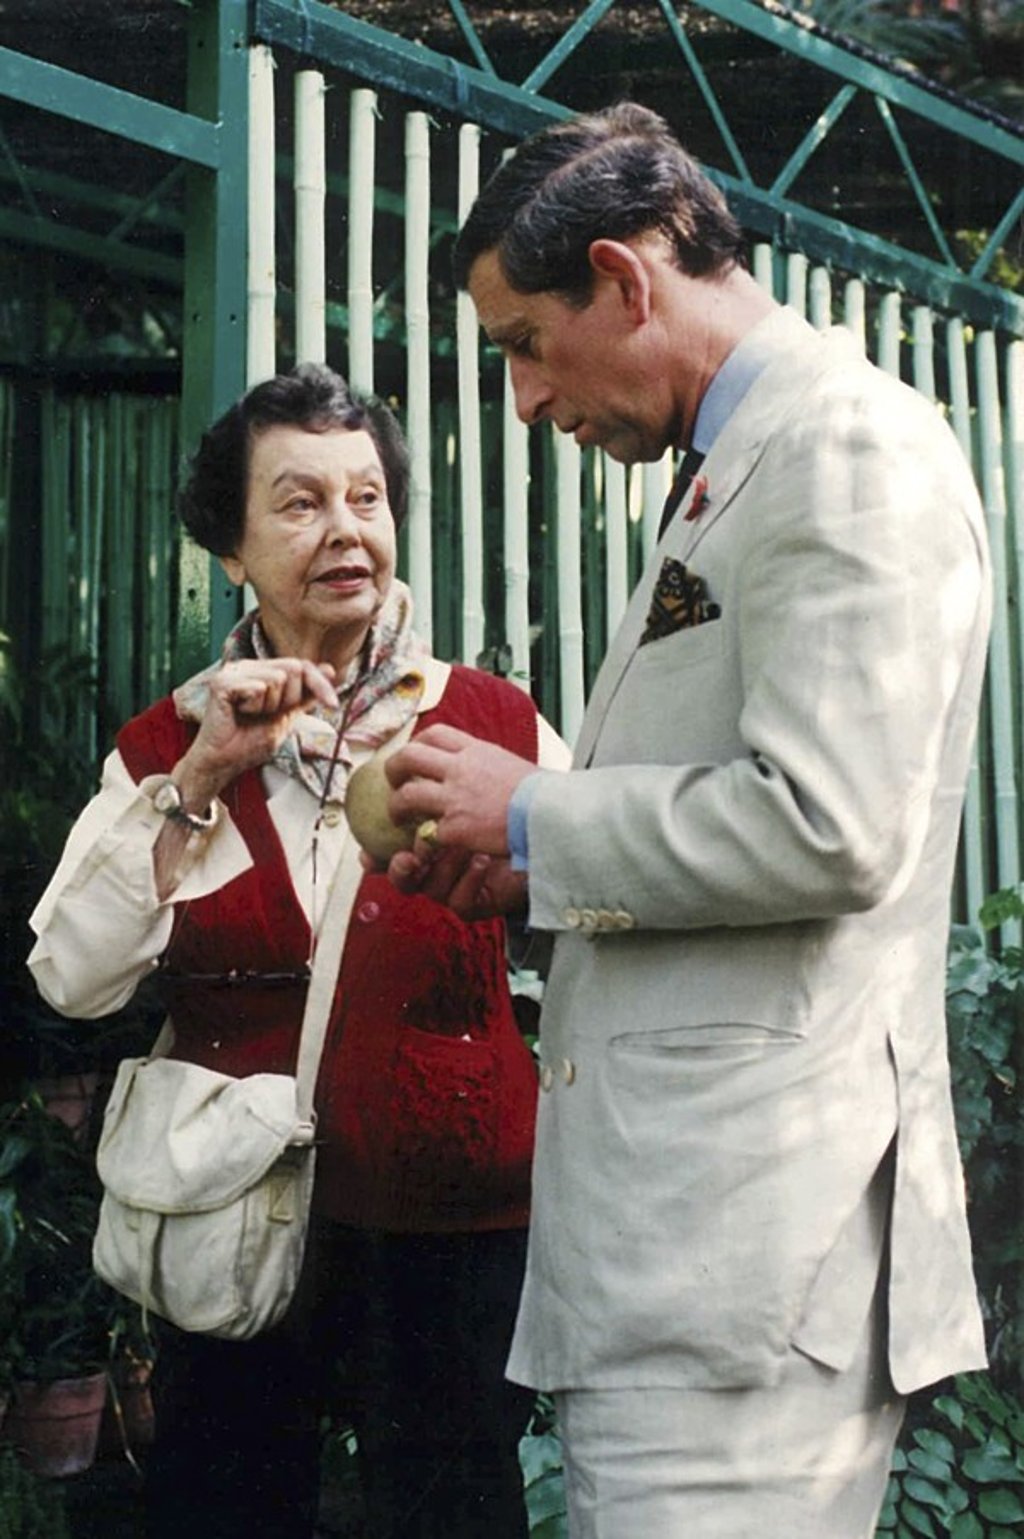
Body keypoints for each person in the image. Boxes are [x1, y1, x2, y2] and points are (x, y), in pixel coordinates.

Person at [378, 104, 992, 1538]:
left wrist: (535, 807)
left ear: (626, 276)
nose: (523, 400)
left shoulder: (845, 445)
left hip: (746, 1271)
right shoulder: (750, 457)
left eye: (523, 342)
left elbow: (834, 824)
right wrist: (525, 871)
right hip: (697, 1264)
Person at [27, 363, 570, 1539]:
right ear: (230, 549)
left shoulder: (495, 723)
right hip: (228, 1219)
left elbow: (600, 921)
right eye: (300, 501)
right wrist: (205, 774)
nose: (345, 531)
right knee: (223, 1506)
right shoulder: (171, 744)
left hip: (454, 1227)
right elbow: (74, 977)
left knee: (452, 1507)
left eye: (366, 498)